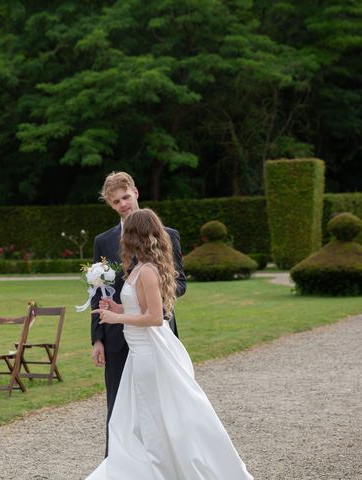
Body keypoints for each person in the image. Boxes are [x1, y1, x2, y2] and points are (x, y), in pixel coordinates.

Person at [87, 209, 252, 479]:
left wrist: (116, 317)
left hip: (149, 354)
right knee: (137, 417)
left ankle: (164, 468)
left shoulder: (149, 271)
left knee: (155, 417)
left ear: (135, 236)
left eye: (126, 235)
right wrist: (117, 305)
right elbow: (138, 306)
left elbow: (154, 317)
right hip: (138, 354)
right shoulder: (138, 268)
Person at [90, 172, 186, 455]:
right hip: (116, 335)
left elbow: (179, 283)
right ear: (110, 205)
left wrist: (152, 298)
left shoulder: (168, 235)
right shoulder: (103, 242)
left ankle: (164, 461)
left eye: (125, 197)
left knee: (162, 403)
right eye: (115, 201)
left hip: (155, 333)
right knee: (119, 405)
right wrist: (97, 338)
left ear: (136, 193)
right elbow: (98, 291)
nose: (122, 204)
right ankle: (118, 463)